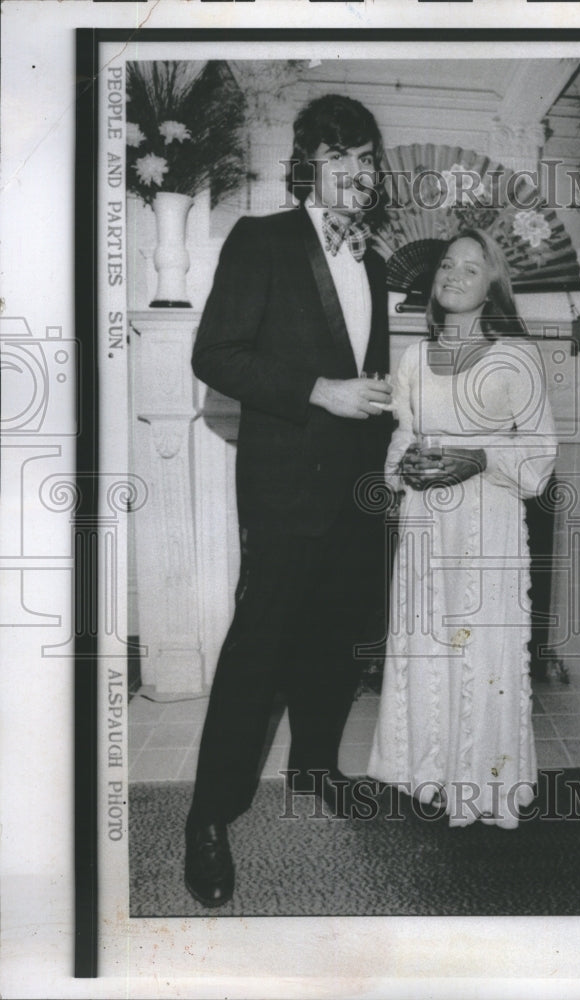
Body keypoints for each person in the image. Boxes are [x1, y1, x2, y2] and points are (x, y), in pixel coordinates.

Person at [185, 94, 393, 907]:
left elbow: (362, 373)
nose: (357, 172)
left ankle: (314, 768)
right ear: (308, 164)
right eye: (340, 155)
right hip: (284, 489)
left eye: (368, 158)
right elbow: (216, 354)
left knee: (335, 641)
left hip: (357, 490)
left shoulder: (372, 257)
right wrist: (319, 391)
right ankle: (209, 816)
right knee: (257, 654)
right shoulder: (262, 239)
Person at [367, 229, 558, 828]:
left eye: (470, 268)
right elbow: (402, 434)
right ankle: (423, 773)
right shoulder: (414, 357)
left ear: (491, 287)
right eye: (447, 264)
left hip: (488, 521)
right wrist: (404, 468)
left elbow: (540, 454)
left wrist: (478, 457)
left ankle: (483, 781)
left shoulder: (517, 355)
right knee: (423, 644)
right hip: (426, 522)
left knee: (481, 648)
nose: (452, 274)